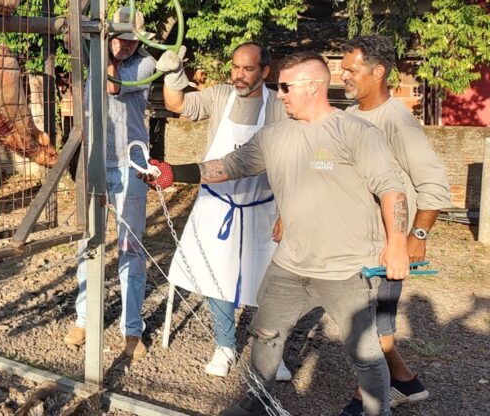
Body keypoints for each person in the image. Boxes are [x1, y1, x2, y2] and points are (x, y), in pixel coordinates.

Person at [144, 52, 410, 416]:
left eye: (285, 87)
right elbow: (230, 165)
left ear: (313, 87)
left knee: (364, 353)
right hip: (289, 264)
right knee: (264, 337)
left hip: (346, 268)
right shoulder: (276, 135)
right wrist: (173, 172)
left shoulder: (355, 132)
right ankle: (253, 405)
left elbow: (392, 188)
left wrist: (397, 244)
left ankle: (379, 410)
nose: (279, 94)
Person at [159, 42, 291, 380]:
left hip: (263, 206)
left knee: (270, 281)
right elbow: (176, 103)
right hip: (218, 204)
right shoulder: (219, 95)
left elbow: (293, 164)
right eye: (235, 67)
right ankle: (224, 345)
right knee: (217, 276)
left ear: (265, 72)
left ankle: (272, 352)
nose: (239, 75)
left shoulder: (279, 106)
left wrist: (287, 213)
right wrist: (174, 74)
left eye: (248, 69)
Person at [335, 35, 452, 415]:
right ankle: (406, 382)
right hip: (356, 240)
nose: (343, 75)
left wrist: (415, 237)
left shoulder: (396, 121)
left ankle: (368, 398)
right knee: (373, 320)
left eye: (351, 69)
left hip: (387, 244)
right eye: (343, 67)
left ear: (378, 71)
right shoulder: (351, 116)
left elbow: (433, 184)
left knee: (369, 323)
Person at [65, 7, 157, 360]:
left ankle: (132, 329)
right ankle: (85, 319)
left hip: (130, 164)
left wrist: (103, 50)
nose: (126, 45)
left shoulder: (142, 66)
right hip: (93, 162)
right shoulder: (96, 57)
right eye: (119, 37)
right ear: (108, 35)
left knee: (130, 248)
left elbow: (113, 87)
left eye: (132, 40)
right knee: (87, 243)